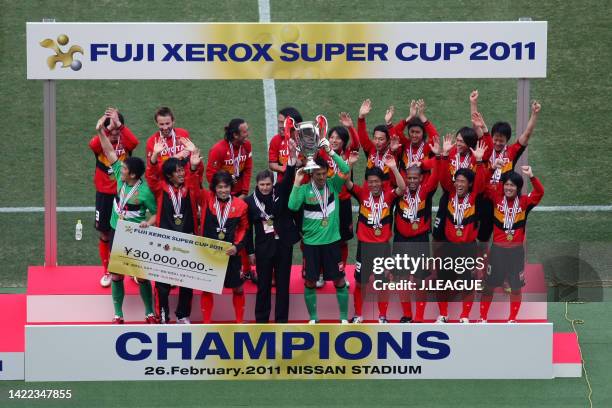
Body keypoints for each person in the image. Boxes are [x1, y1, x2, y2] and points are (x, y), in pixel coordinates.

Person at [95, 113, 158, 324]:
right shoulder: (121, 181)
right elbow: (109, 151)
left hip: (136, 236)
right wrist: (99, 131)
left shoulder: (145, 193)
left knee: (141, 276)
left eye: (123, 169)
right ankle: (118, 314)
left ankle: (149, 312)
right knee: (116, 276)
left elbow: (158, 213)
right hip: (116, 233)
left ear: (132, 175)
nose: (119, 169)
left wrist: (147, 223)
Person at [288, 138, 350, 323]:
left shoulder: (333, 185)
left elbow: (345, 170)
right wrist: (297, 183)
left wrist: (330, 152)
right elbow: (292, 206)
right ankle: (314, 318)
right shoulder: (305, 189)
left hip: (332, 243)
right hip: (311, 244)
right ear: (311, 174)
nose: (322, 177)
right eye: (318, 174)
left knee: (339, 280)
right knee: (310, 282)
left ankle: (344, 318)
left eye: (324, 173)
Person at [146, 138, 202, 324]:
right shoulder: (160, 188)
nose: (182, 174)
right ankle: (162, 315)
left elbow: (195, 180)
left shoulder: (189, 188)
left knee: (187, 281)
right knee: (162, 283)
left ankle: (182, 315)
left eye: (182, 170)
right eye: (178, 171)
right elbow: (152, 175)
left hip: (187, 239)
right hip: (165, 241)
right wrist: (154, 156)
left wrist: (193, 165)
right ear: (169, 175)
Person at [345, 151, 406, 323]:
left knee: (382, 283)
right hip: (364, 247)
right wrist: (350, 164)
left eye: (376, 181)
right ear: (367, 183)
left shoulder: (389, 195)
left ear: (382, 182)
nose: (373, 184)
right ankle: (358, 315)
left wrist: (393, 168)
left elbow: (402, 188)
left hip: (383, 248)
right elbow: (347, 183)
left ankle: (382, 316)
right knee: (360, 283)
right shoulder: (362, 193)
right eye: (370, 182)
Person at [245, 139, 301, 323]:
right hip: (263, 248)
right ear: (257, 185)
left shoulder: (280, 191)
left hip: (283, 245)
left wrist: (292, 157)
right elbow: (247, 229)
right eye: (262, 185)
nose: (266, 188)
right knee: (263, 285)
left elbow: (290, 175)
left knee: (283, 285)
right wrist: (250, 251)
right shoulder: (250, 202)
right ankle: (261, 319)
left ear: (272, 183)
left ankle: (281, 321)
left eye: (268, 184)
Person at [479, 166, 544, 322]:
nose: (509, 188)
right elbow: (483, 184)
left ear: (518, 188)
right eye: (506, 185)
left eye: (512, 185)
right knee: (489, 286)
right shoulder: (496, 197)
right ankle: (482, 318)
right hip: (497, 252)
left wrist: (532, 176)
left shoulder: (524, 202)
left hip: (516, 252)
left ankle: (512, 319)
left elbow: (539, 193)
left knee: (515, 287)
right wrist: (491, 168)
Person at [435, 135, 488, 323]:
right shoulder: (450, 194)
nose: (458, 184)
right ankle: (443, 315)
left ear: (470, 184)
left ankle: (465, 316)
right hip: (449, 246)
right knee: (443, 281)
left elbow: (481, 182)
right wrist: (443, 156)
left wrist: (480, 161)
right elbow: (442, 178)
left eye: (463, 181)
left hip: (467, 248)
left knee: (467, 282)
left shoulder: (474, 197)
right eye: (457, 181)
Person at [89, 107, 139, 288]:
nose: (114, 134)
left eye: (117, 129)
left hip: (125, 195)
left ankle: (132, 269)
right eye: (110, 130)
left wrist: (120, 126)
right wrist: (107, 129)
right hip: (104, 195)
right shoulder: (100, 145)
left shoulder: (126, 143)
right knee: (105, 233)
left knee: (129, 233)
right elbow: (93, 144)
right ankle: (108, 270)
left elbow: (134, 142)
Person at [393, 143, 441, 323]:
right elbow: (391, 170)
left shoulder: (427, 190)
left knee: (420, 278)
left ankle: (419, 316)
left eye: (415, 178)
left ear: (421, 178)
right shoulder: (399, 190)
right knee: (402, 277)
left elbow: (436, 173)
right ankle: (407, 314)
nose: (412, 181)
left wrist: (436, 156)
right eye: (409, 178)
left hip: (420, 239)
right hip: (401, 238)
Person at [197, 167, 249, 323]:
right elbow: (194, 184)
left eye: (226, 186)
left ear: (231, 188)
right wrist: (195, 166)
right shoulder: (207, 199)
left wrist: (237, 246)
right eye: (219, 187)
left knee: (238, 288)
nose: (223, 190)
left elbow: (244, 228)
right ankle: (207, 323)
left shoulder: (241, 205)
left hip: (231, 254)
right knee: (207, 288)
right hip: (209, 254)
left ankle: (239, 322)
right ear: (214, 188)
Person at [206, 118, 255, 284]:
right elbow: (210, 175)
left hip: (240, 197)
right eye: (244, 132)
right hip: (224, 199)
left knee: (244, 232)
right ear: (235, 135)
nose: (248, 134)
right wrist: (223, 194)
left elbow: (248, 169)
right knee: (226, 234)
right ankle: (219, 270)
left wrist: (244, 192)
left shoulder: (246, 146)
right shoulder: (218, 149)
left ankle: (247, 270)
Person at [357, 99, 402, 188]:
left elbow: (395, 139)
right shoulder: (371, 149)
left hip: (387, 196)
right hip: (370, 194)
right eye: (375, 138)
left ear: (388, 141)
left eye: (381, 139)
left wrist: (389, 124)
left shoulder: (394, 152)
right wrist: (361, 117)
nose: (377, 142)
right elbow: (363, 137)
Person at [268, 107, 303, 183]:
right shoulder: (276, 140)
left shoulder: (305, 139)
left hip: (302, 184)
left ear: (293, 123)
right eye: (279, 122)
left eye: (283, 122)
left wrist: (302, 163)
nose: (280, 126)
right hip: (283, 184)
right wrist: (287, 168)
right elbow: (272, 164)